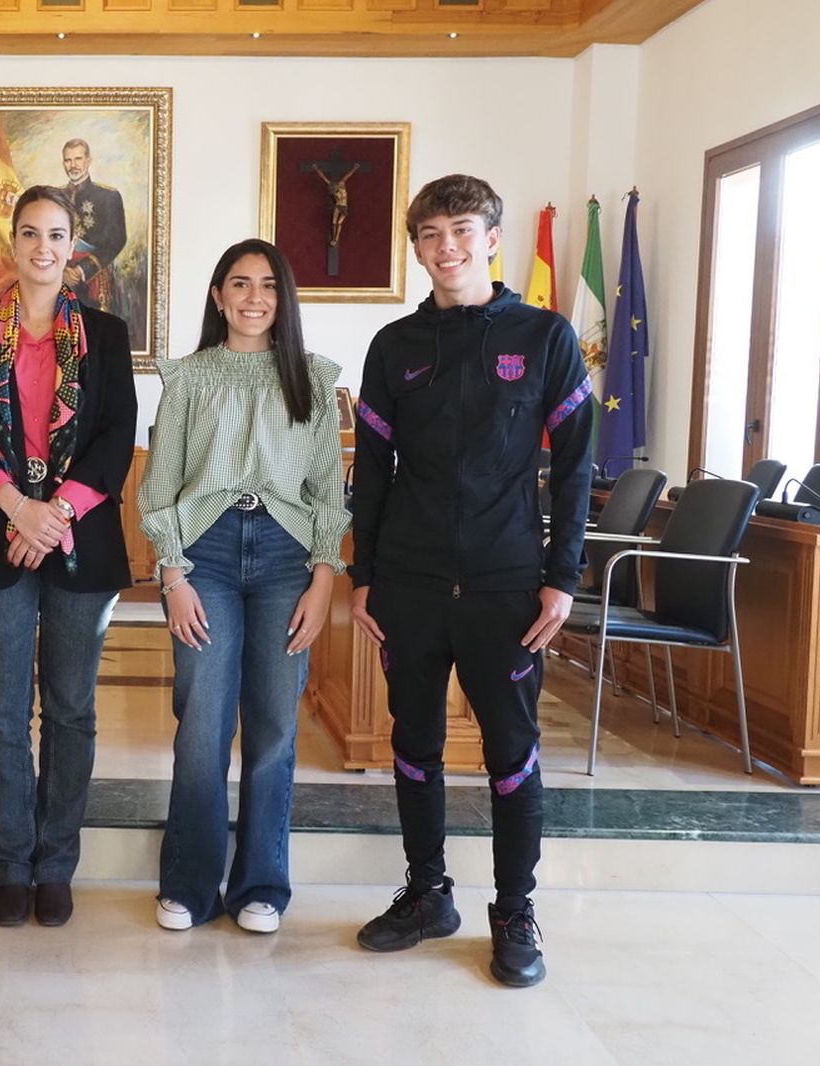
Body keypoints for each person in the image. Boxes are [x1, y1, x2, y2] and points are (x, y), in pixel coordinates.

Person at [349, 174, 593, 987]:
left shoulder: (547, 336)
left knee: (510, 754)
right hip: (410, 586)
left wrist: (562, 577)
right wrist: (363, 575)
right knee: (414, 745)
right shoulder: (395, 348)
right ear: (415, 247)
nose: (445, 246)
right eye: (428, 234)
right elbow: (373, 476)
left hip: (507, 587)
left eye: (460, 229)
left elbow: (576, 470)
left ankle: (515, 911)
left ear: (492, 236)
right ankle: (427, 894)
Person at [139, 238, 349, 934]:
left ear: (283, 299)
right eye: (239, 283)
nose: (254, 297)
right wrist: (173, 575)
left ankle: (262, 885)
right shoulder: (190, 379)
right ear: (217, 296)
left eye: (268, 285)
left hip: (289, 558)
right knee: (202, 722)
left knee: (275, 724)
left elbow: (328, 490)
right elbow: (161, 484)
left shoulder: (314, 381)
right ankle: (191, 884)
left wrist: (324, 579)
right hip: (208, 556)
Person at [0, 184, 138, 928]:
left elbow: (115, 439)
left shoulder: (105, 335)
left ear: (73, 248)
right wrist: (15, 506)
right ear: (12, 244)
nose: (44, 247)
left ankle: (55, 865)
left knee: (70, 711)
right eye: (31, 233)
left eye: (58, 235)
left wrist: (52, 514)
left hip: (77, 542)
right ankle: (12, 865)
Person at [59, 138, 127, 313]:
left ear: (88, 161)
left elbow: (116, 241)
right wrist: (62, 271)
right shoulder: (54, 196)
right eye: (68, 160)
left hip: (94, 279)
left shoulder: (108, 196)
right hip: (59, 278)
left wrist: (82, 270)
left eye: (78, 159)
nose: (73, 165)